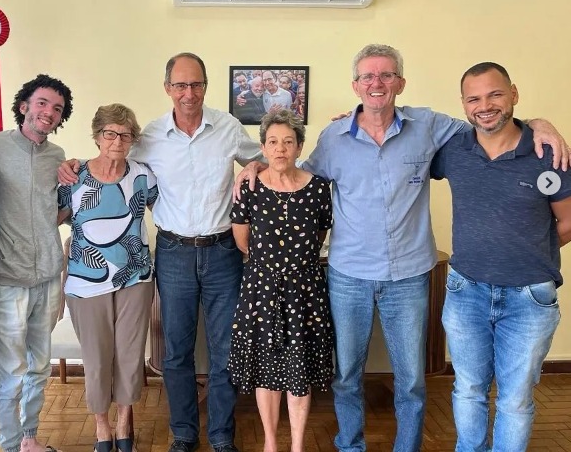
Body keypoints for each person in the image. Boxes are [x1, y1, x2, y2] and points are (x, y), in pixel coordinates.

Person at [235, 44, 569, 452]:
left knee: (411, 380)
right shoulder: (334, 139)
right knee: (347, 376)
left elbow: (491, 125)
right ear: (356, 86)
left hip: (409, 277)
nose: (377, 83)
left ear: (401, 83)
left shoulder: (429, 126)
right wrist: (256, 165)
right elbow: (294, 173)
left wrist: (539, 124)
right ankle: (351, 445)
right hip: (348, 276)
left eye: (386, 75)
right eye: (368, 76)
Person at [59, 52, 262, 452]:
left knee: (225, 351)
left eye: (196, 84)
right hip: (174, 254)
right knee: (175, 352)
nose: (189, 93)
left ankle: (222, 436)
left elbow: (267, 159)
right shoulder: (149, 136)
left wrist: (254, 166)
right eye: (181, 85)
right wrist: (74, 164)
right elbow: (111, 162)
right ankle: (183, 433)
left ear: (205, 86)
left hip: (223, 252)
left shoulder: (228, 127)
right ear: (168, 88)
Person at [430, 62, 571, 452]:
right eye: (474, 98)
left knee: (515, 399)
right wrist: (358, 118)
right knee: (468, 388)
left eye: (495, 94)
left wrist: (526, 249)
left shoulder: (546, 152)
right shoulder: (453, 150)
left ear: (514, 94)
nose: (485, 106)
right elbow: (401, 138)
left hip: (530, 299)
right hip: (465, 292)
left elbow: (568, 220)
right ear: (463, 104)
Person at [229, 109, 333, 452]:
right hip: (262, 291)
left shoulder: (318, 188)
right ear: (262, 147)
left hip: (305, 292)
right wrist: (272, 268)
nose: (280, 149)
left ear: (300, 147)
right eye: (272, 142)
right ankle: (271, 443)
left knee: (299, 371)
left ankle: (298, 445)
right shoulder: (250, 188)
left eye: (288, 142)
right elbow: (242, 241)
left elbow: (319, 235)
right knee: (266, 370)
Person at [57, 103, 158, 452]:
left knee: (130, 354)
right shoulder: (74, 176)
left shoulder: (143, 176)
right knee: (97, 357)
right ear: (97, 136)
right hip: (86, 281)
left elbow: (169, 211)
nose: (117, 141)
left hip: (136, 277)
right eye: (110, 133)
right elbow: (50, 218)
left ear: (133, 139)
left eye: (125, 135)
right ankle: (102, 427)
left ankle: (124, 422)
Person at [0, 74, 73, 452]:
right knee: (11, 371)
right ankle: (9, 444)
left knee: (39, 366)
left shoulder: (58, 156)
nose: (49, 112)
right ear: (24, 106)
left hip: (49, 275)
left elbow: (60, 210)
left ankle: (29, 439)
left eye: (57, 108)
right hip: (7, 278)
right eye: (42, 103)